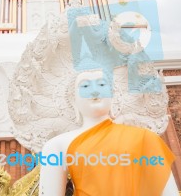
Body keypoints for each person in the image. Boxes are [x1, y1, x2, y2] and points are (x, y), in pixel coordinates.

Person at [39, 69, 179, 196]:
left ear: (112, 96)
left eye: (101, 85)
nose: (94, 91)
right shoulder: (57, 146)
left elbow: (169, 193)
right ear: (73, 99)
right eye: (85, 86)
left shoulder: (145, 137)